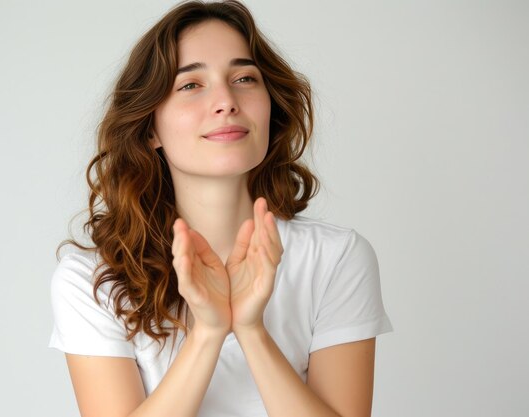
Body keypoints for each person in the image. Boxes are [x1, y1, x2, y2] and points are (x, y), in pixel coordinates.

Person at [48, 1, 392, 416]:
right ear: (150, 128)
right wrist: (208, 332)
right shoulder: (92, 280)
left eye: (245, 78)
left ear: (271, 108)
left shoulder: (336, 258)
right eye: (191, 85)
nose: (226, 100)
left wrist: (251, 330)